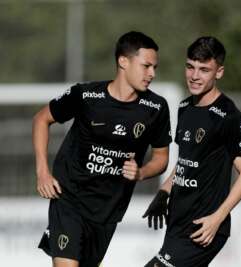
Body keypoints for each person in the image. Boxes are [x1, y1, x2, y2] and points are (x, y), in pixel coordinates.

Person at [32, 31, 172, 267]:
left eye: (154, 67)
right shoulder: (86, 95)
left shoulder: (156, 107)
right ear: (123, 61)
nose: (152, 74)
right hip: (69, 198)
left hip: (108, 211)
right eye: (146, 66)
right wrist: (43, 173)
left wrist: (141, 173)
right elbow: (40, 119)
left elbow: (161, 158)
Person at [143, 36, 241, 267]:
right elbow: (187, 160)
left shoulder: (229, 116)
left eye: (204, 70)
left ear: (219, 72)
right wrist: (164, 192)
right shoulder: (185, 108)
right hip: (177, 222)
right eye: (190, 67)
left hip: (203, 228)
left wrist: (218, 218)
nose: (194, 76)